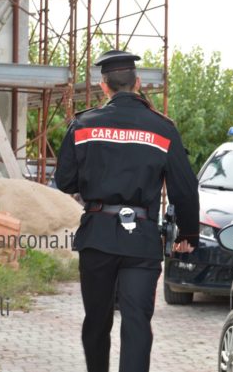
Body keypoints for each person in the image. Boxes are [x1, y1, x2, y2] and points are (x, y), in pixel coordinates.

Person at [55, 49, 200, 372]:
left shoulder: (83, 125)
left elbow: (64, 181)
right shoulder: (163, 129)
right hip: (142, 241)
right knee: (136, 323)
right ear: (137, 83)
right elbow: (185, 189)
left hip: (97, 236)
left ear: (104, 86)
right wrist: (189, 235)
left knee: (97, 320)